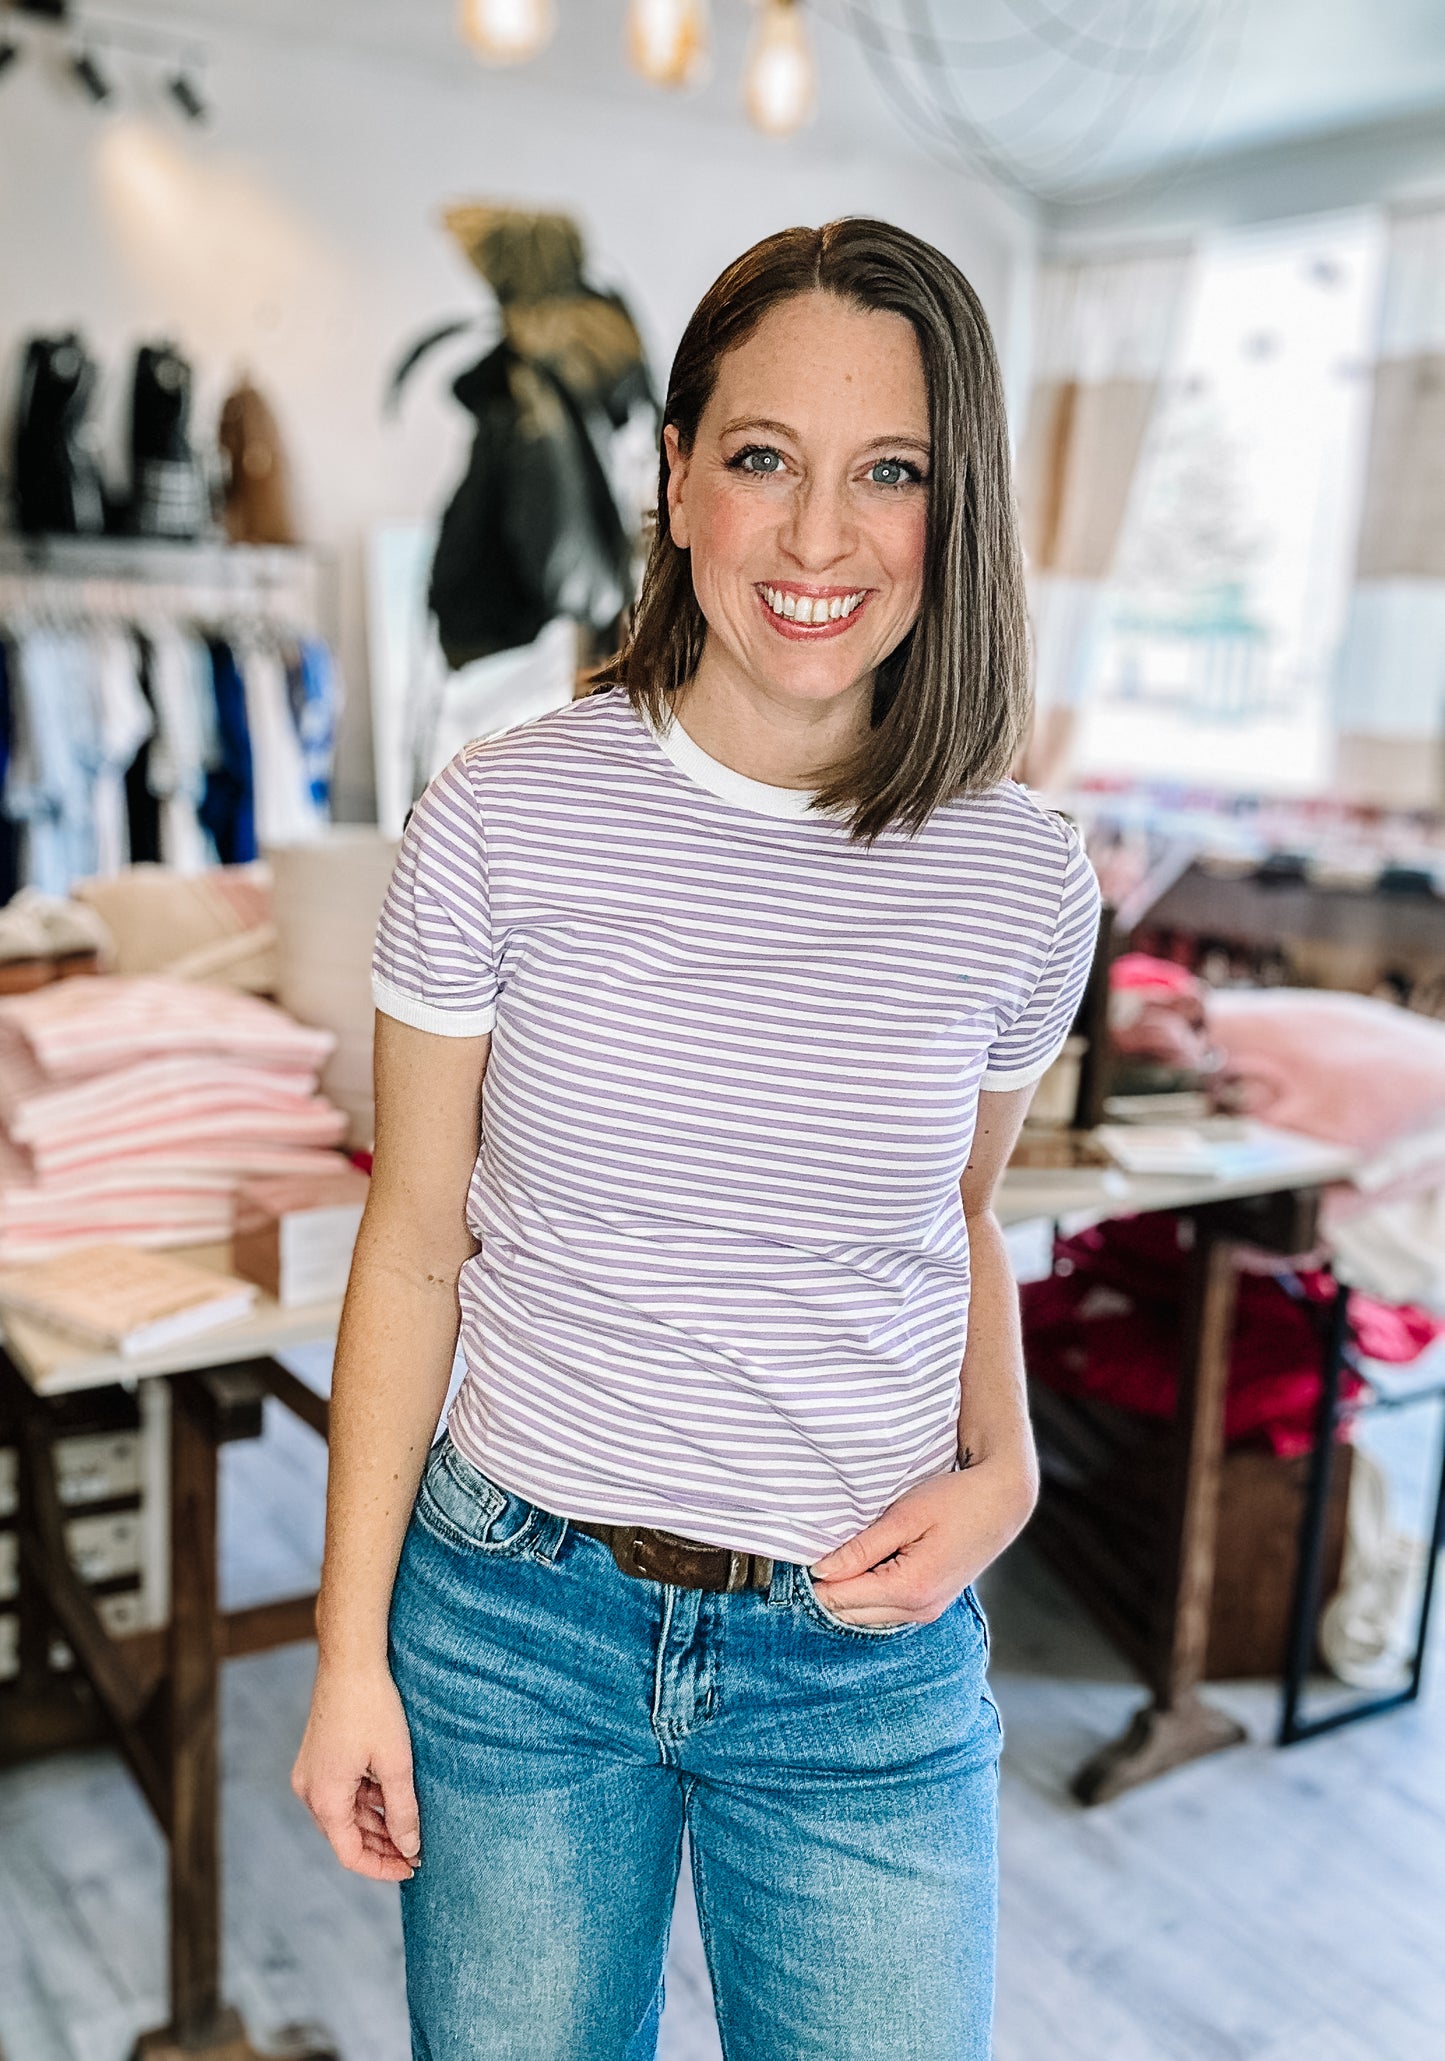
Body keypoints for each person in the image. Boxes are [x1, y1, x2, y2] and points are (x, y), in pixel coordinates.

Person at [292, 217, 1101, 2061]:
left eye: (887, 472)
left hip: (861, 1660)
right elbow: (413, 1248)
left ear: (952, 507)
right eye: (760, 458)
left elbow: (959, 1218)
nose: (818, 539)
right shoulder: (500, 816)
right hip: (517, 1627)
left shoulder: (1022, 878)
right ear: (674, 479)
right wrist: (347, 1652)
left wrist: (1007, 1471)